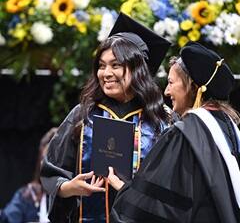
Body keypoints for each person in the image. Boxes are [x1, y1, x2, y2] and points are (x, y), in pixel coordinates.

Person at [40, 12, 171, 223]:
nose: (105, 73)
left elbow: (171, 192)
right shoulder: (83, 116)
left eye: (115, 65)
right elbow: (51, 172)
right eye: (101, 65)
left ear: (139, 70)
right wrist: (68, 188)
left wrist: (131, 193)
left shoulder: (160, 122)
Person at [109, 41, 240, 222]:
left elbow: (158, 207)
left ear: (193, 87)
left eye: (171, 83)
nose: (166, 91)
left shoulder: (185, 135)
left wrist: (125, 192)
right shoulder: (227, 126)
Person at [0, 127, 57, 223]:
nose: (47, 166)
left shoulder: (77, 196)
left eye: (53, 160)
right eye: (44, 159)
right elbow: (8, 218)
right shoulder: (30, 194)